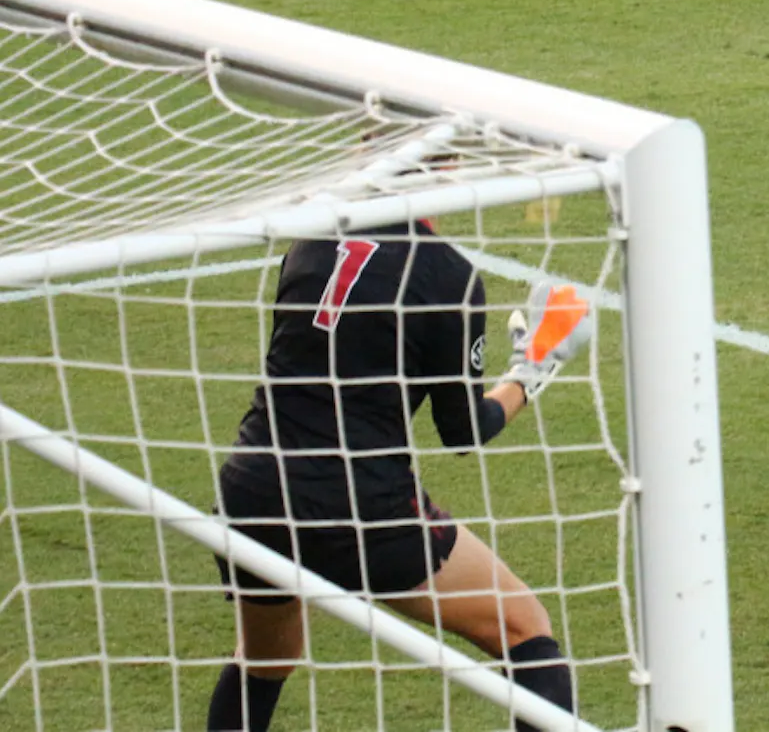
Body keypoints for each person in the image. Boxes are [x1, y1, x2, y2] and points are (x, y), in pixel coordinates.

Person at [205, 219, 592, 732]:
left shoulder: (312, 238)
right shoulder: (447, 275)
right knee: (524, 629)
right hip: (364, 508)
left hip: (256, 486)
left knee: (266, 658)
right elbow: (462, 430)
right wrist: (531, 367)